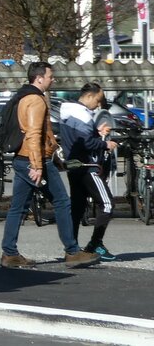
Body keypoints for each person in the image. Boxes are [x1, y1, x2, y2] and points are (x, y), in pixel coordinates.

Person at [0, 61, 99, 269]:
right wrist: (37, 165)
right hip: (34, 161)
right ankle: (72, 251)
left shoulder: (22, 96)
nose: (53, 79)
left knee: (18, 208)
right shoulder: (36, 100)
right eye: (50, 76)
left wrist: (54, 157)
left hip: (23, 158)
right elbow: (35, 134)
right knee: (62, 201)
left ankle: (9, 253)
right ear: (39, 78)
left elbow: (43, 135)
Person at [59, 82, 119, 260]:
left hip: (74, 165)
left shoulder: (67, 110)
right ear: (90, 96)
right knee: (107, 204)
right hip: (88, 166)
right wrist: (105, 143)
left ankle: (72, 248)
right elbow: (87, 143)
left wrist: (96, 132)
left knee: (77, 208)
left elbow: (79, 137)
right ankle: (95, 243)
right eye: (98, 101)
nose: (98, 105)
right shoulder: (83, 115)